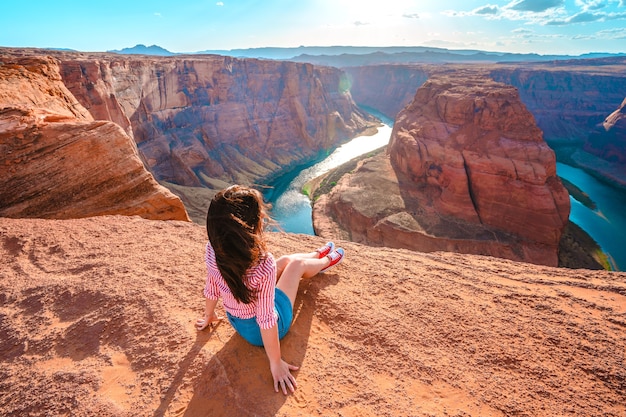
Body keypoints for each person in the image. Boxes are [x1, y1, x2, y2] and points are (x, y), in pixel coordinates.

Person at [195, 184, 344, 395]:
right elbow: (266, 317)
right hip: (262, 331)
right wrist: (275, 362)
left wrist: (208, 316)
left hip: (237, 320)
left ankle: (315, 255)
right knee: (295, 266)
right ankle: (325, 261)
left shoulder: (213, 251)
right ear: (253, 224)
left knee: (283, 261)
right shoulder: (263, 264)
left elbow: (212, 287)